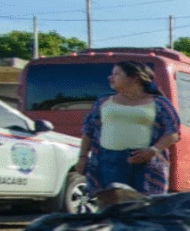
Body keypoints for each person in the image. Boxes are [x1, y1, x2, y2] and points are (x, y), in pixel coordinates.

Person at [75, 61, 181, 203]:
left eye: (116, 74)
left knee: (144, 207)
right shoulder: (104, 102)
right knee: (112, 206)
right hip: (108, 161)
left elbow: (173, 132)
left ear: (135, 78)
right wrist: (83, 157)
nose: (110, 77)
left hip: (145, 162)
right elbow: (88, 131)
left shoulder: (160, 103)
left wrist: (153, 150)